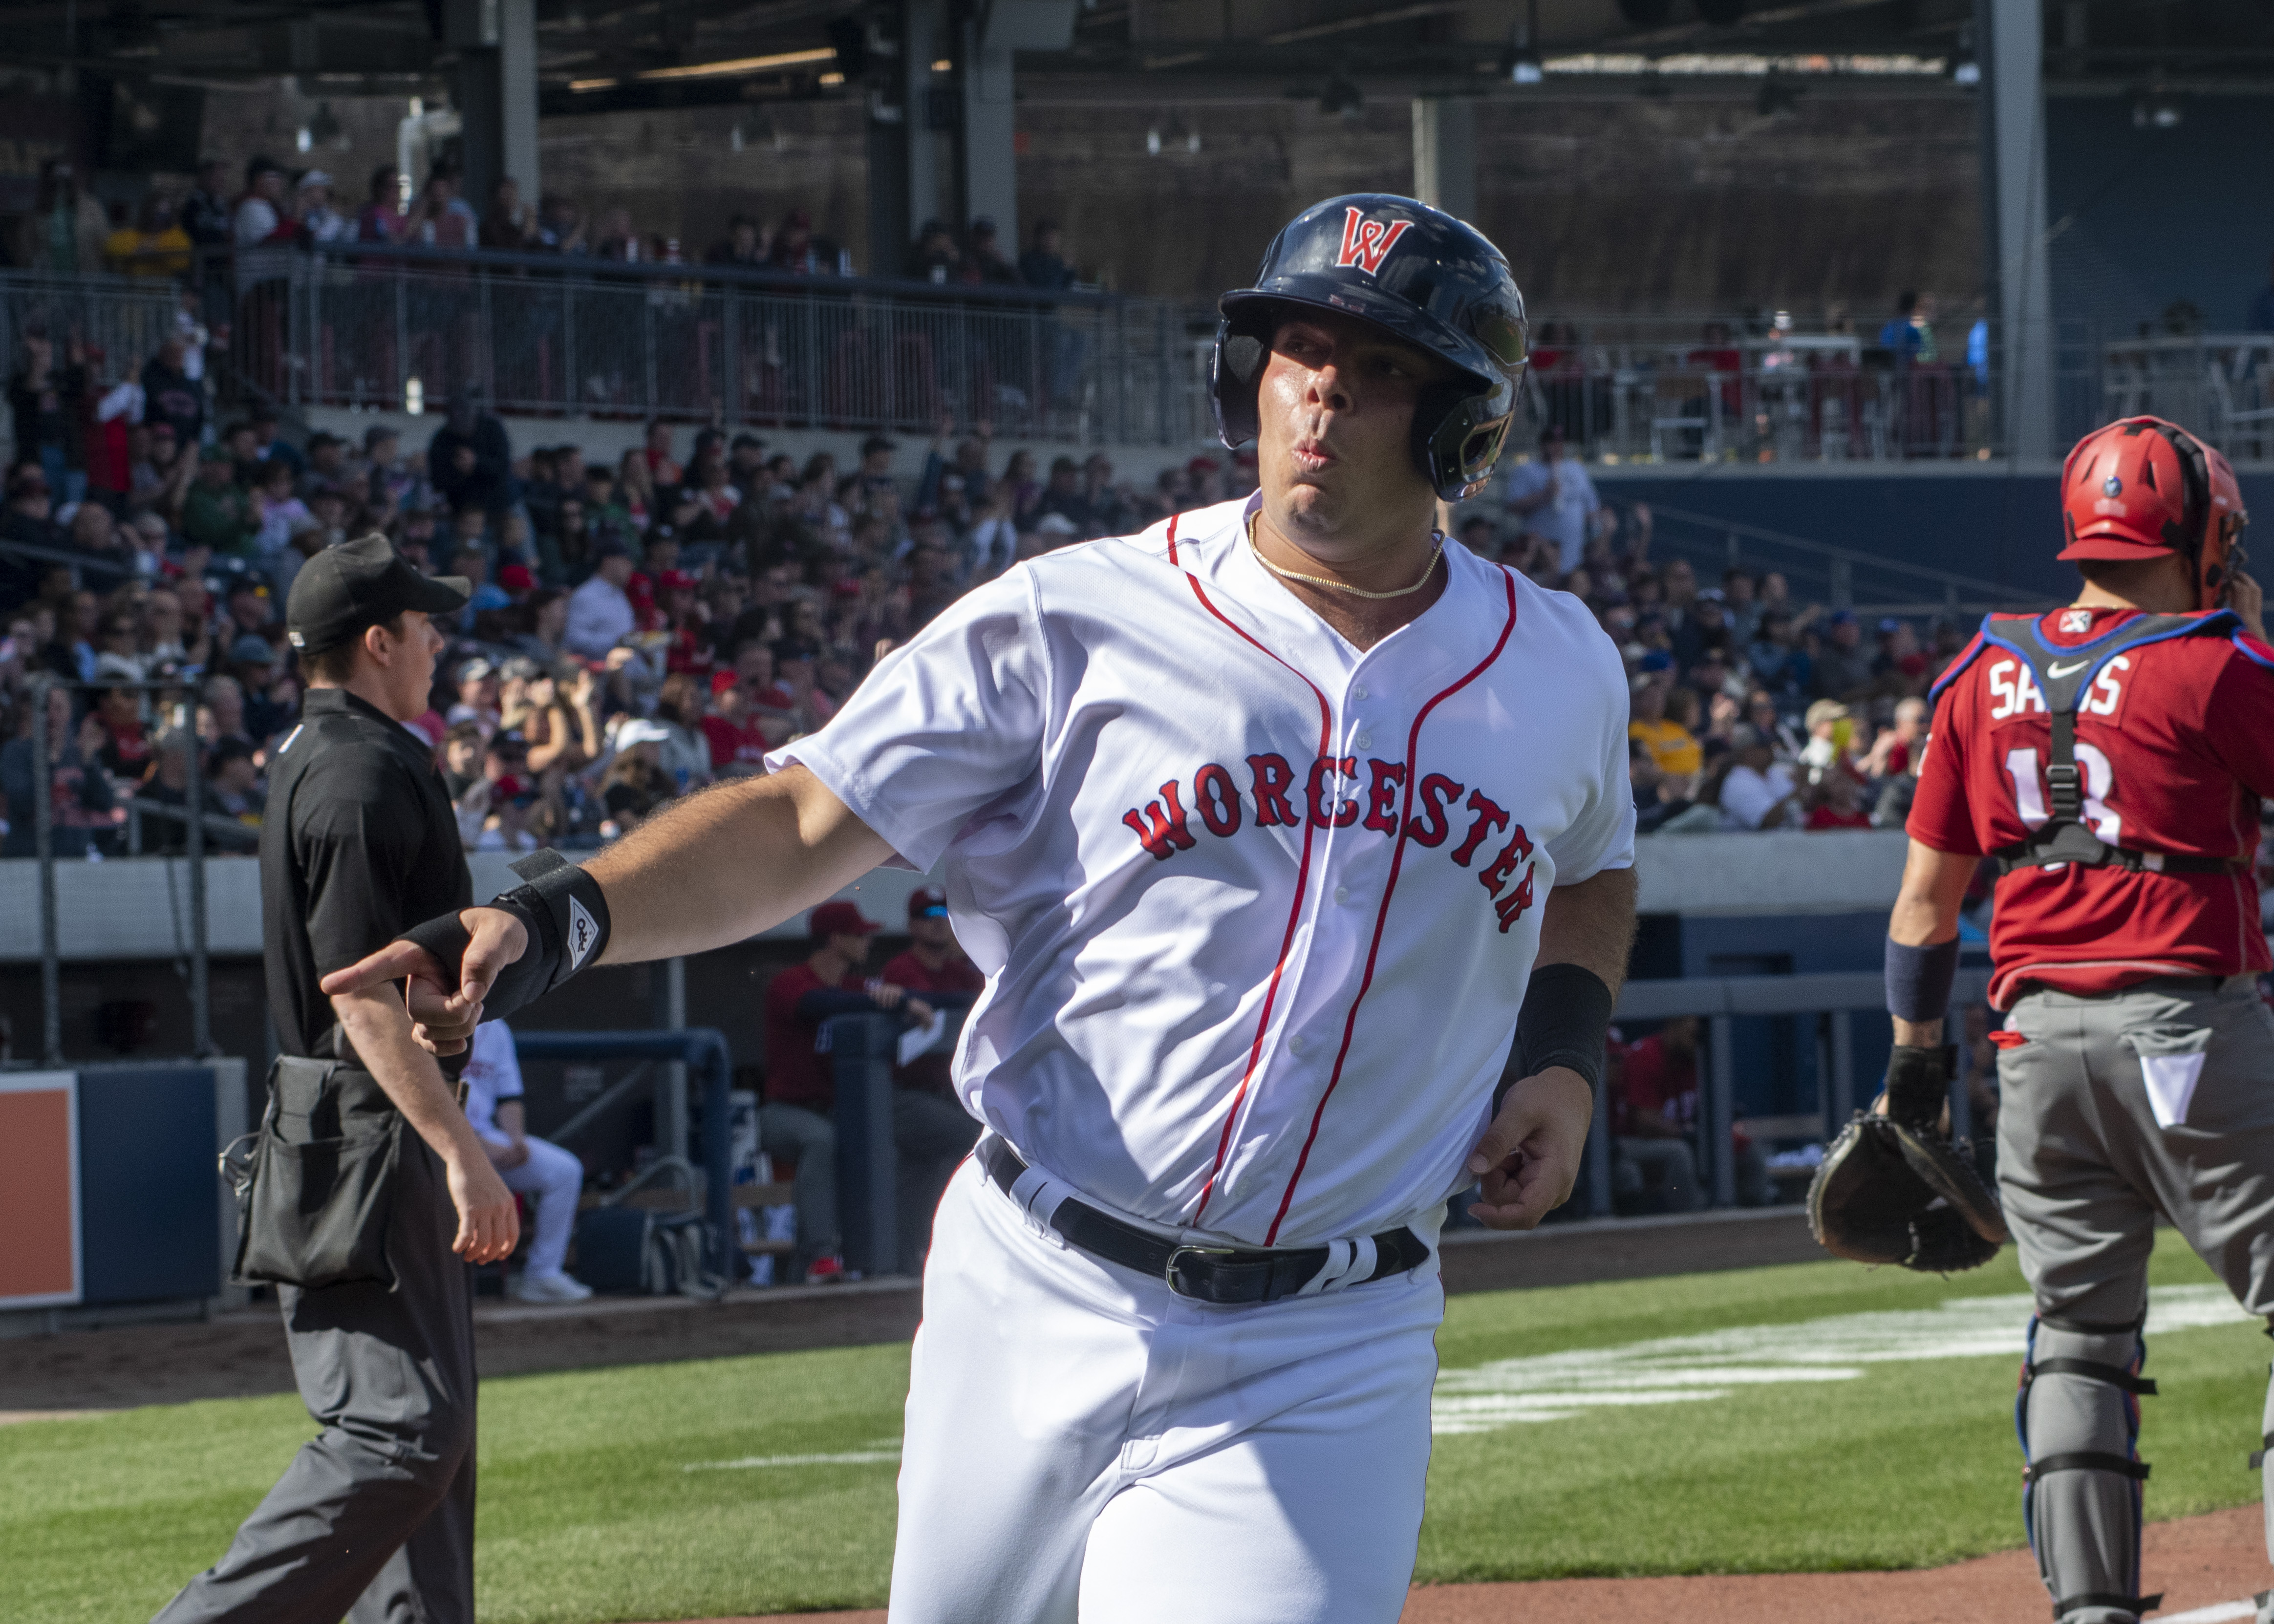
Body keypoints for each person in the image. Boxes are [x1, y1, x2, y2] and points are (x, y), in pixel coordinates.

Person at [327, 194, 1632, 1624]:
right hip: (1039, 1284)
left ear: (1463, 425)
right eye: (1296, 348)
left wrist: (1563, 1058)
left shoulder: (1557, 667)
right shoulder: (1076, 615)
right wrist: (547, 917)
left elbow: (1592, 868)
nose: (1321, 391)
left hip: (1330, 1338)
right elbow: (804, 820)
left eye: (1380, 366)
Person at [1865, 414, 2274, 1624]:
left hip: (2030, 1043)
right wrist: (2248, 637)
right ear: (2193, 532)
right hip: (2187, 1025)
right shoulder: (2215, 659)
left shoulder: (1970, 672)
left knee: (2078, 1334)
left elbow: (1923, 902)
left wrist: (1912, 1073)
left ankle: (2089, 1608)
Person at [150, 533, 517, 1624]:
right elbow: (356, 996)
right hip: (365, 1127)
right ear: (375, 640)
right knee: (402, 1433)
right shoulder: (357, 772)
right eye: (425, 625)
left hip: (350, 1114)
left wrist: (441, 1022)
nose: (440, 643)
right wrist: (463, 1153)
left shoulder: (328, 752)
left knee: (432, 1442)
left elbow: (370, 990)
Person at [758, 901, 938, 1283]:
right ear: (835, 939)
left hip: (840, 1110)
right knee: (823, 1141)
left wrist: (904, 1000)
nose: (868, 941)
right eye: (859, 935)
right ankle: (822, 1257)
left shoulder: (859, 986)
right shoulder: (791, 981)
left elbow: (898, 997)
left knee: (883, 1146)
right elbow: (816, 1003)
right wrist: (885, 998)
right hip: (785, 1112)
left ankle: (900, 1253)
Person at [878, 886, 986, 1264]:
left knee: (918, 1177)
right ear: (911, 925)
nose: (939, 924)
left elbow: (983, 997)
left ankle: (911, 1257)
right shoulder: (901, 969)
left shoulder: (959, 970)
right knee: (972, 1140)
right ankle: (955, 1251)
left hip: (944, 1096)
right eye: (929, 916)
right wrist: (909, 1000)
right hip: (904, 1094)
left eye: (944, 914)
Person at [458, 1021, 592, 1303]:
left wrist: (517, 1142)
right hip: (436, 1138)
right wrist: (476, 1147)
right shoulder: (428, 1014)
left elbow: (509, 1097)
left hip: (485, 1134)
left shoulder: (496, 1027)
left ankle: (542, 1275)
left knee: (564, 1171)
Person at [1501, 424, 1599, 573]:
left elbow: (1591, 507)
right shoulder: (1526, 470)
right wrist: (1544, 495)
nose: (1556, 447)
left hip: (1574, 550)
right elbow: (1513, 506)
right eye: (1552, 443)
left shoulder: (1576, 469)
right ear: (1543, 445)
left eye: (1559, 443)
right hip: (1541, 555)